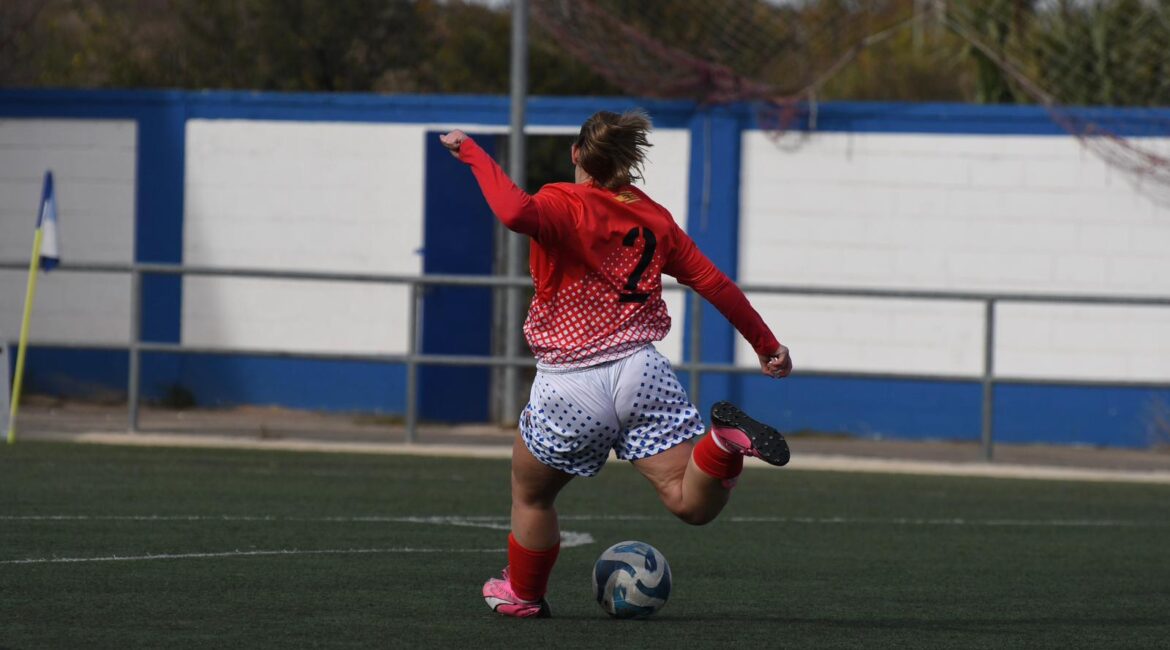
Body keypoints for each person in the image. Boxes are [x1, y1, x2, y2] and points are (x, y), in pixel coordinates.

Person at [440, 109, 792, 619]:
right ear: (626, 162)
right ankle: (722, 445)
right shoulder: (653, 217)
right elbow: (713, 282)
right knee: (688, 502)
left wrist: (471, 152)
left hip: (570, 382)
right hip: (641, 372)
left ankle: (523, 596)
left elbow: (514, 212)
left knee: (531, 496)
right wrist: (765, 343)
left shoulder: (563, 201)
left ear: (576, 154)